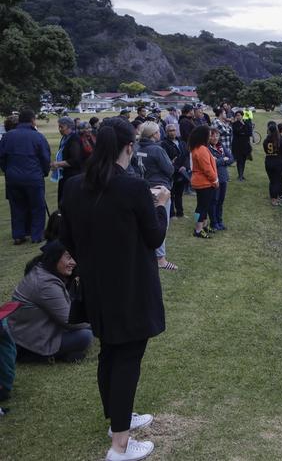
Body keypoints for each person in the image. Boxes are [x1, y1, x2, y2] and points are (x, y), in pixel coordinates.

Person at [59, 117, 169, 460]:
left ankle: (117, 420)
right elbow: (154, 237)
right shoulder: (134, 187)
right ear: (128, 147)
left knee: (110, 351)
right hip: (130, 287)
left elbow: (67, 239)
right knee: (126, 358)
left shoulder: (74, 186)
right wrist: (162, 205)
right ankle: (120, 445)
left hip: (96, 286)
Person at [8, 240, 92, 363]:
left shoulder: (43, 270)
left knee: (86, 326)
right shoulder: (45, 284)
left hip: (30, 331)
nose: (73, 262)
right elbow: (69, 320)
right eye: (69, 257)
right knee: (85, 336)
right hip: (29, 341)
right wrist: (93, 322)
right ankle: (44, 356)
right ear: (55, 257)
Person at [0, 108, 51, 245]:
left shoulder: (7, 136)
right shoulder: (38, 136)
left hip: (13, 177)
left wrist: (8, 170)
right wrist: (44, 172)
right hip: (33, 176)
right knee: (37, 206)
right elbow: (45, 158)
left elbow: (2, 158)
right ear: (32, 120)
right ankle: (36, 235)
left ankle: (18, 235)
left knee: (17, 206)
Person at [133, 122, 177, 271]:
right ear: (154, 134)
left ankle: (148, 254)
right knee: (161, 222)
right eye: (158, 132)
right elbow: (169, 170)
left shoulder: (136, 147)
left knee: (146, 223)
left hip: (142, 188)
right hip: (160, 189)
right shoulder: (157, 150)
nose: (161, 134)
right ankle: (161, 259)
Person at [189, 125, 218, 238]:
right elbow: (207, 168)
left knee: (202, 206)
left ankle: (203, 225)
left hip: (201, 182)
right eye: (209, 135)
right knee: (201, 207)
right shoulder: (201, 149)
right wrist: (215, 180)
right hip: (204, 182)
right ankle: (198, 229)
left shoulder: (197, 148)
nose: (210, 137)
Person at [160, 124, 190, 219]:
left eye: (174, 130)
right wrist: (177, 168)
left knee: (179, 194)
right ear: (166, 132)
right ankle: (172, 214)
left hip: (182, 171)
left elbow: (186, 155)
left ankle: (180, 212)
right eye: (170, 130)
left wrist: (184, 166)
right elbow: (166, 159)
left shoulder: (181, 142)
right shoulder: (164, 144)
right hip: (172, 172)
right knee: (171, 194)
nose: (172, 132)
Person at [51, 116, 82, 206]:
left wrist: (58, 164)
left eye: (62, 127)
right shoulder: (65, 138)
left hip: (72, 176)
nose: (60, 129)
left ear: (69, 127)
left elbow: (75, 161)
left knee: (69, 203)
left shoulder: (74, 139)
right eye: (59, 127)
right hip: (64, 175)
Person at [208, 128, 233, 230]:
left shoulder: (221, 146)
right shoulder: (207, 148)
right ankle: (213, 223)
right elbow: (212, 163)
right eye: (213, 136)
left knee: (221, 201)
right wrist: (223, 159)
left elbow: (231, 158)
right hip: (214, 178)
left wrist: (219, 160)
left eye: (217, 135)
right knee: (214, 201)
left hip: (223, 177)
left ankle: (219, 221)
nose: (215, 138)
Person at [262, 122, 282, 207]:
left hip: (268, 161)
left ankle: (273, 197)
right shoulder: (279, 140)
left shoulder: (265, 140)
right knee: (276, 181)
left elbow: (265, 150)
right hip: (277, 162)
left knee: (272, 181)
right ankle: (274, 199)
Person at [231, 110, 252, 181]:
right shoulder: (234, 124)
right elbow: (236, 132)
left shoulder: (247, 123)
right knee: (239, 160)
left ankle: (241, 175)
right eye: (236, 115)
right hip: (237, 145)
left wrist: (243, 131)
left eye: (239, 115)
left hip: (245, 145)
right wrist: (242, 129)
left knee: (243, 160)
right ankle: (240, 176)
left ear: (242, 116)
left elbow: (249, 133)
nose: (238, 117)